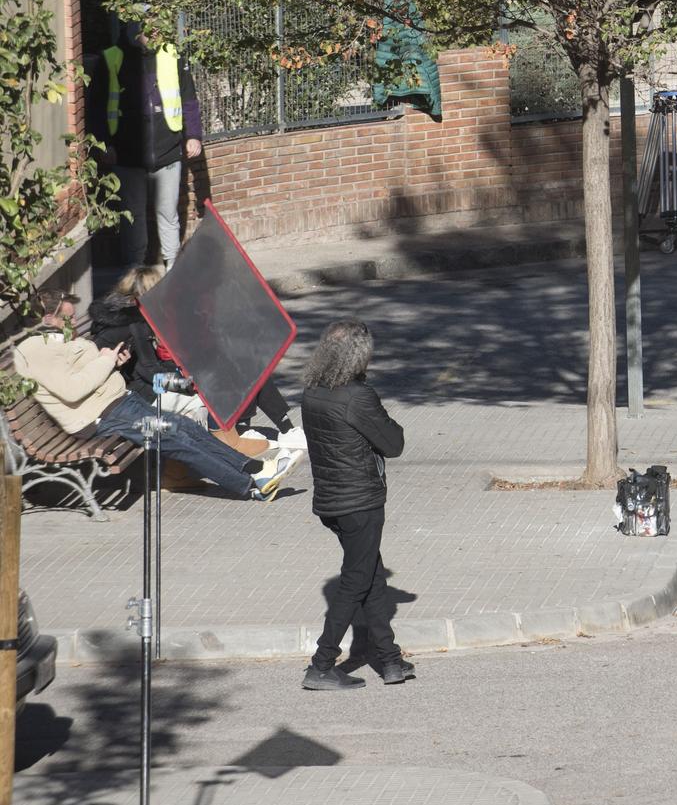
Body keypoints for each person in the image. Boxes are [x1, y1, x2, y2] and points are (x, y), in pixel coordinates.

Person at [16, 289, 294, 500]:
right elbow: (72, 389)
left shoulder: (56, 341)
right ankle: (249, 488)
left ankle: (254, 468)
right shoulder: (35, 351)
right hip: (105, 416)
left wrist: (113, 361)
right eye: (68, 318)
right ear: (48, 318)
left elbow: (80, 372)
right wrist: (105, 361)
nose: (74, 323)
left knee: (182, 426)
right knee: (174, 437)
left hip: (120, 403)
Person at [300, 319, 411, 690]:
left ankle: (390, 660)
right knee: (356, 581)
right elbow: (393, 443)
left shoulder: (313, 391)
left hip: (331, 501)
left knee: (372, 578)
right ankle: (321, 663)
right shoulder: (358, 397)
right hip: (359, 502)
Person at [89, 265, 306, 453]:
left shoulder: (135, 319)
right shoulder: (127, 325)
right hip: (140, 398)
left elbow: (151, 365)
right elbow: (148, 371)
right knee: (217, 384)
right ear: (143, 295)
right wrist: (186, 383)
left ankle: (257, 431)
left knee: (238, 362)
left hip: (151, 385)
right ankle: (232, 443)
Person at [103, 23, 205, 267]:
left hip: (167, 150)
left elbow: (189, 99)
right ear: (131, 30)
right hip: (127, 154)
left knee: (168, 214)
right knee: (133, 216)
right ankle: (133, 273)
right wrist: (105, 144)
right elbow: (98, 105)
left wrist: (193, 135)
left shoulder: (172, 54)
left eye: (156, 28)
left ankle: (172, 270)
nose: (153, 33)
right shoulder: (112, 58)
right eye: (146, 29)